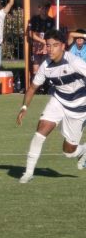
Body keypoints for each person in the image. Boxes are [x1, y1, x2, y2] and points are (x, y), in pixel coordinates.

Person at [16, 30, 86, 184]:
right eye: (48, 46)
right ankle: (28, 173)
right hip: (58, 101)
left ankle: (83, 150)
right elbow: (33, 88)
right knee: (40, 132)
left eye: (54, 46)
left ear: (63, 46)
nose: (50, 49)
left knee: (69, 152)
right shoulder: (45, 66)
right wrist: (24, 108)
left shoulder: (75, 62)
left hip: (79, 107)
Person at [27, 1, 55, 77]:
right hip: (36, 46)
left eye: (47, 8)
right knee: (36, 67)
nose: (45, 10)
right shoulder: (34, 19)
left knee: (47, 66)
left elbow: (53, 34)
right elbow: (30, 33)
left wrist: (47, 43)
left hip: (48, 46)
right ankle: (36, 86)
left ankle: (46, 85)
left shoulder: (52, 20)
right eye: (43, 8)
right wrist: (42, 41)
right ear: (39, 9)